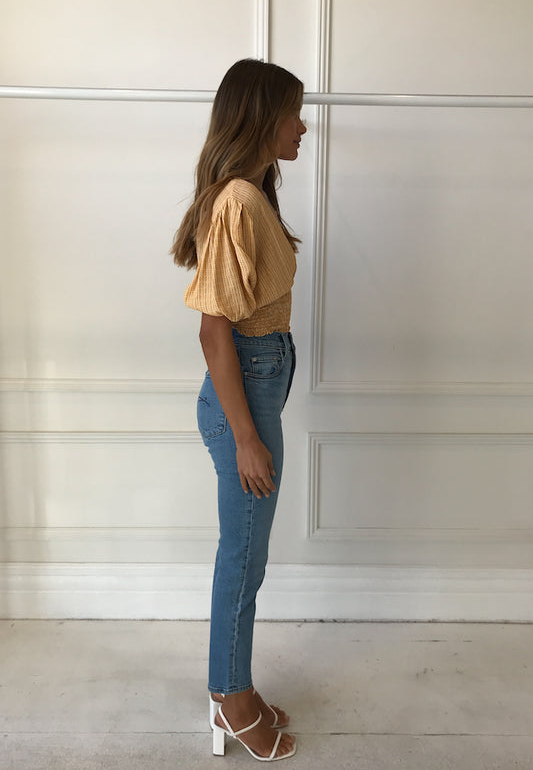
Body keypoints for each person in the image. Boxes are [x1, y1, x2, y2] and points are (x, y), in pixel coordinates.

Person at [171, 58, 306, 762]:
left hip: (257, 383)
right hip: (242, 399)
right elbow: (212, 330)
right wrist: (246, 437)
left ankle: (236, 687)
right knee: (243, 558)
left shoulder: (251, 196)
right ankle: (229, 696)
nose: (302, 126)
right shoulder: (237, 202)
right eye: (293, 114)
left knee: (248, 556)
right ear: (261, 118)